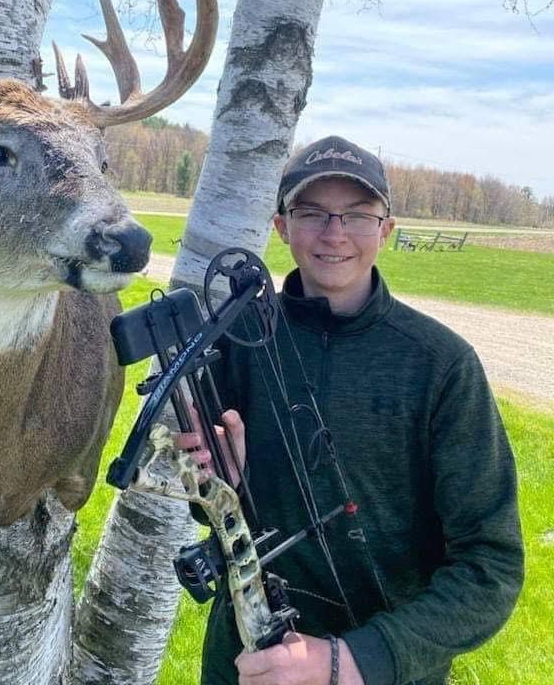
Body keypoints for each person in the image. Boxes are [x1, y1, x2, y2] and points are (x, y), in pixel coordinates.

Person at [179, 135, 524, 685]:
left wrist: (353, 661)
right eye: (312, 212)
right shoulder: (236, 341)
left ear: (386, 231)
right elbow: (216, 513)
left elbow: (492, 566)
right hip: (246, 661)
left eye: (358, 215)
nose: (334, 233)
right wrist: (223, 483)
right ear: (281, 227)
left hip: (384, 669)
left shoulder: (441, 364)